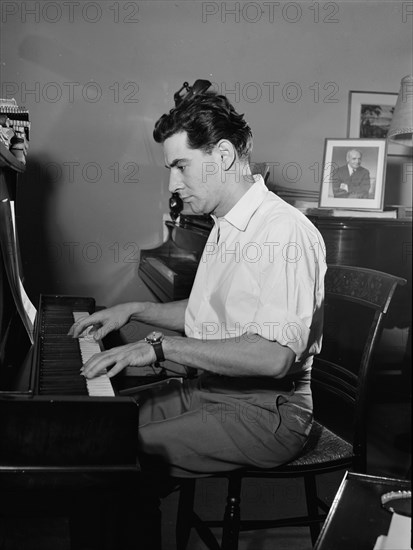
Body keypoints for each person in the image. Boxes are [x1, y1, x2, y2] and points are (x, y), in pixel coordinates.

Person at [69, 83, 327, 549]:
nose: (173, 184)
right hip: (212, 390)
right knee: (93, 438)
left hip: (268, 411)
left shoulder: (284, 232)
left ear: (223, 155)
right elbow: (210, 310)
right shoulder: (226, 223)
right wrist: (136, 310)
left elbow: (272, 357)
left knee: (116, 462)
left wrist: (156, 347)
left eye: (180, 166)